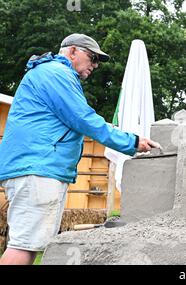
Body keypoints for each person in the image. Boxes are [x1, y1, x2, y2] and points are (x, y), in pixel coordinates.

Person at [0, 33, 161, 265]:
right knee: (24, 246)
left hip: (33, 167)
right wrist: (132, 143)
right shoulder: (56, 74)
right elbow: (84, 119)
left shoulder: (48, 73)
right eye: (92, 57)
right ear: (72, 51)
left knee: (28, 245)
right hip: (38, 169)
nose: (95, 65)